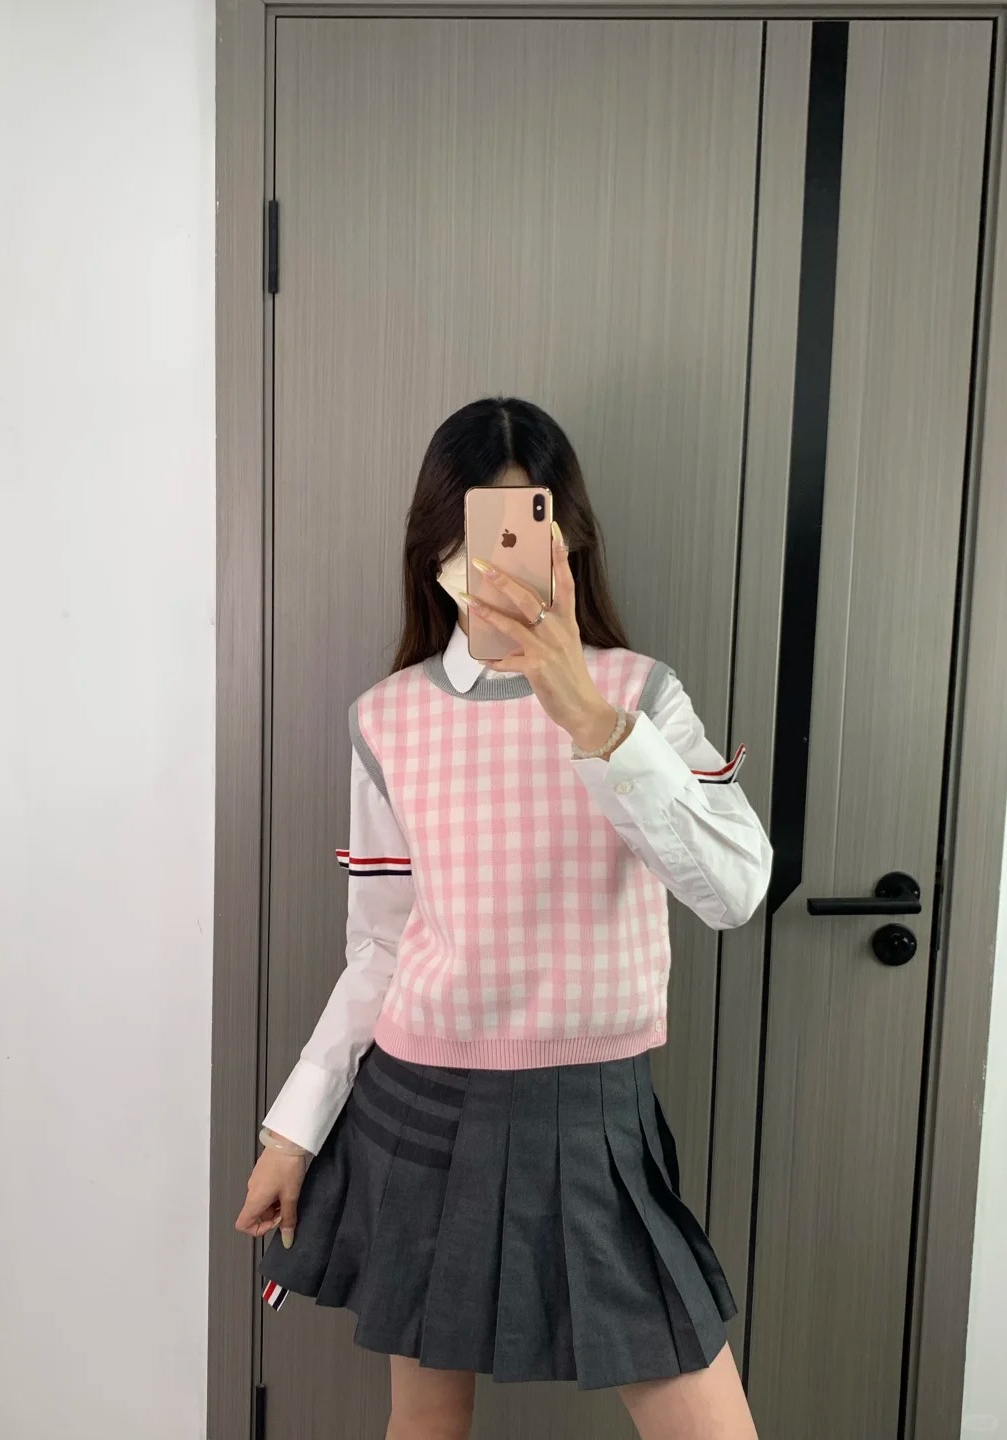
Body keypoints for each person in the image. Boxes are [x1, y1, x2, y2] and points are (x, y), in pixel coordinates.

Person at [236, 397, 770, 1440]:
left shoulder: (640, 696)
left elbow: (736, 890)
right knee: (426, 1425)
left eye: (522, 528)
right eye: (469, 533)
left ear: (567, 541)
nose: (492, 565)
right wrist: (292, 1130)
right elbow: (381, 946)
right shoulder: (387, 716)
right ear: (434, 545)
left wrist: (595, 724)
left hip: (594, 1117)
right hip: (419, 1110)